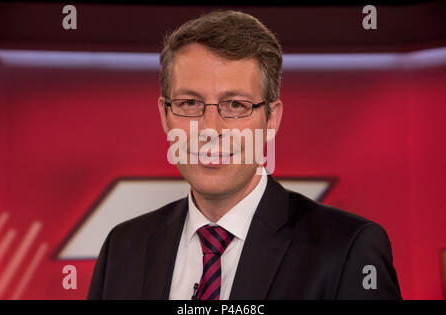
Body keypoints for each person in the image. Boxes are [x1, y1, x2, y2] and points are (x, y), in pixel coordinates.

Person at [88, 10, 401, 300]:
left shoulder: (348, 249)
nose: (210, 129)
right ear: (164, 114)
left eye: (235, 105)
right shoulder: (122, 249)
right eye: (190, 104)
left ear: (271, 119)